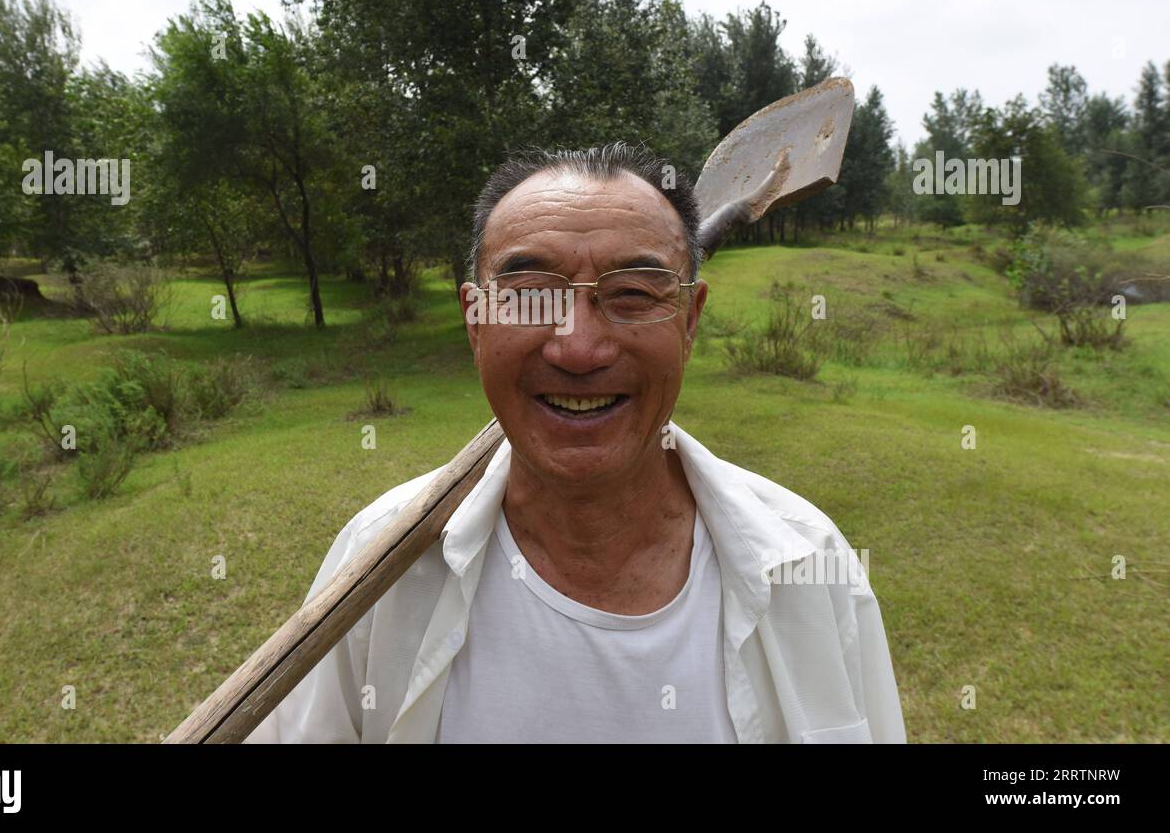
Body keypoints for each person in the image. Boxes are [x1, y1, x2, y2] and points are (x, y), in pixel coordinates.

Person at [246, 142, 906, 743]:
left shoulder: (807, 564)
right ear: (475, 320)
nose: (579, 347)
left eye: (634, 293)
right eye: (530, 295)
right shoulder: (378, 567)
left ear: (691, 320)